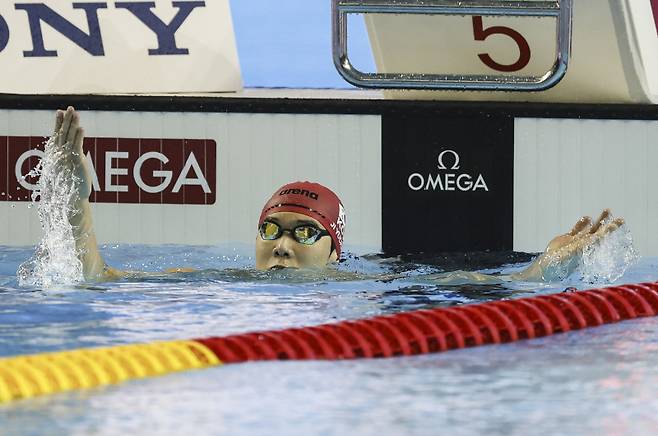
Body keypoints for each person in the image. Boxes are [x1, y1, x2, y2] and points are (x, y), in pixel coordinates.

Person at [45, 107, 625, 282]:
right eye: (271, 230)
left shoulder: (365, 286)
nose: (282, 244)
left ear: (334, 250)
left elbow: (483, 287)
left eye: (303, 233)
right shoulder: (220, 283)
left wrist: (547, 265)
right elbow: (98, 277)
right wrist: (76, 204)